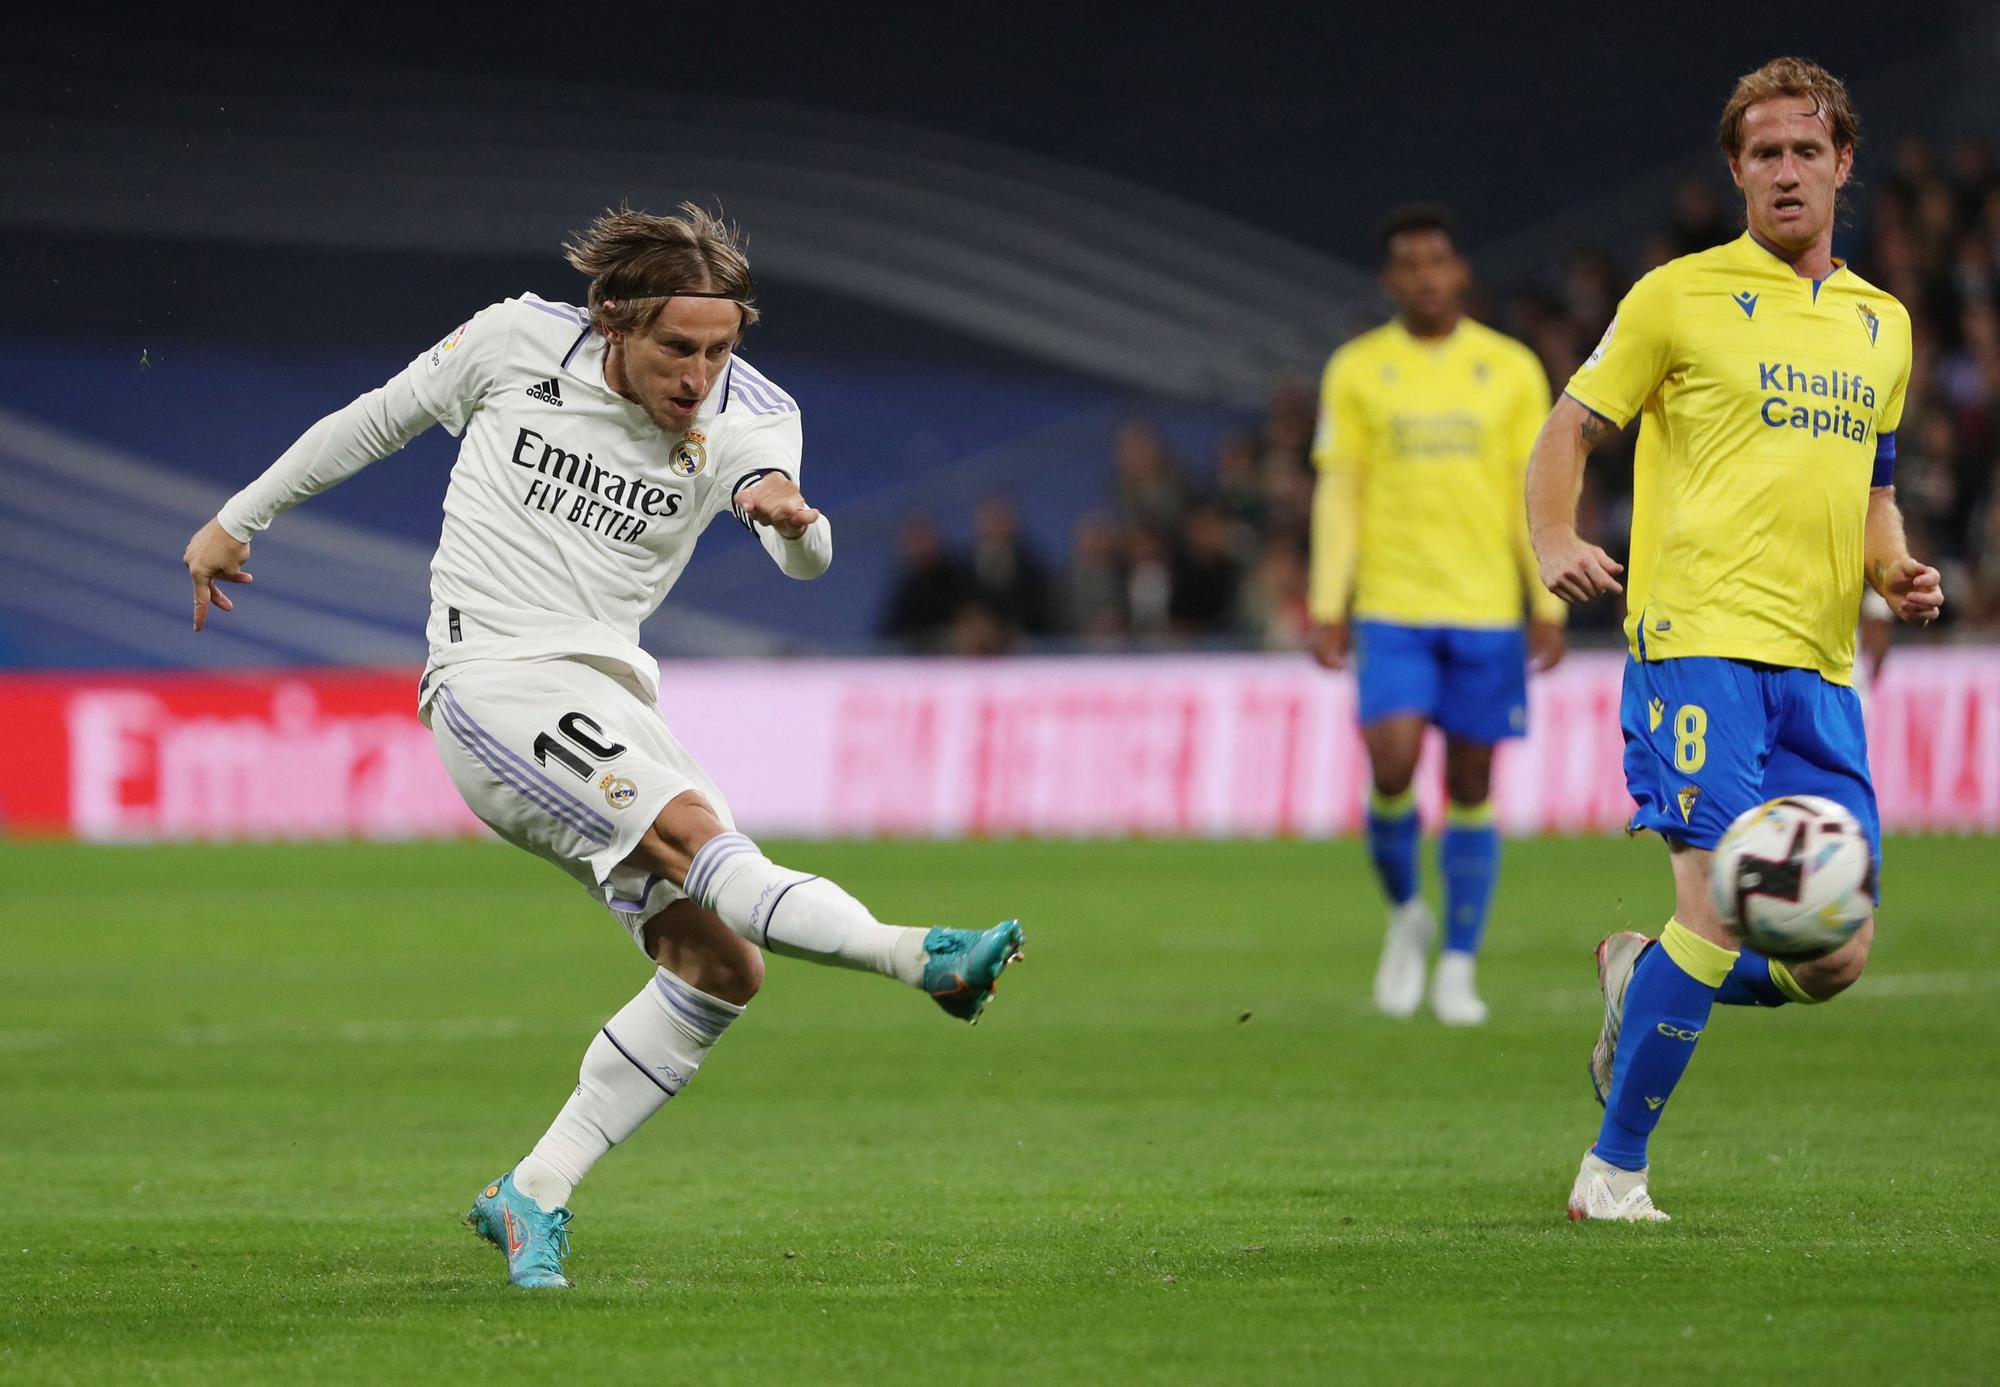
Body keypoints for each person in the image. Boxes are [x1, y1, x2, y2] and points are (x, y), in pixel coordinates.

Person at [179, 205, 1026, 1287]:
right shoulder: (512, 344)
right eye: (679, 347)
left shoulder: (752, 415)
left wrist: (787, 515)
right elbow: (374, 420)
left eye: (720, 350)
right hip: (488, 678)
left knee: (719, 966)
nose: (699, 373)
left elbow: (804, 559)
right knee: (695, 844)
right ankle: (921, 957)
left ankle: (531, 1190)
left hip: (613, 693)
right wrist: (235, 519)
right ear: (613, 321)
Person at [1527, 59, 1943, 1221]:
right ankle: (1610, 1174)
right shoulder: (1676, 296)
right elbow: (1568, 426)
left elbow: (1872, 490)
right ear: (1734, 172)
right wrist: (1552, 533)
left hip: (1819, 666)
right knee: (1717, 898)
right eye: (1762, 154)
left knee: (1831, 954)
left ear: (1842, 162)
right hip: (1697, 640)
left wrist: (1890, 566)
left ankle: (1639, 971)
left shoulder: (1883, 326)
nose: (1784, 172)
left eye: (1805, 150)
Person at [1309, 205, 1568, 1026]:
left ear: (1460, 272)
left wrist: (1546, 594)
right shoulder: (1356, 370)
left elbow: (1538, 490)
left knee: (1470, 780)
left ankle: (1457, 962)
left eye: (1438, 261)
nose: (1425, 276)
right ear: (1390, 281)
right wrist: (1326, 600)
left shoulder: (1512, 369)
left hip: (1486, 607)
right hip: (1390, 606)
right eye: (1409, 264)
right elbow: (1339, 491)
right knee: (1390, 764)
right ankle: (1405, 915)